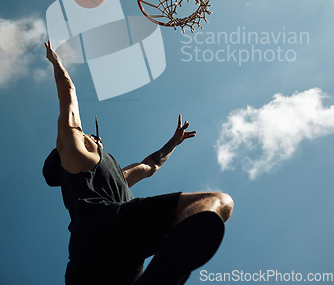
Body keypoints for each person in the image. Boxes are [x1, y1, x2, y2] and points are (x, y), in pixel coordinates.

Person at [42, 40, 234, 285]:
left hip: (95, 260)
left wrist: (173, 143)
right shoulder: (76, 152)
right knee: (219, 202)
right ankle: (166, 273)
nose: (95, 137)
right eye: (90, 136)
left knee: (218, 204)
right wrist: (56, 61)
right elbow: (67, 91)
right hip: (110, 227)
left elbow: (151, 165)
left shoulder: (117, 176)